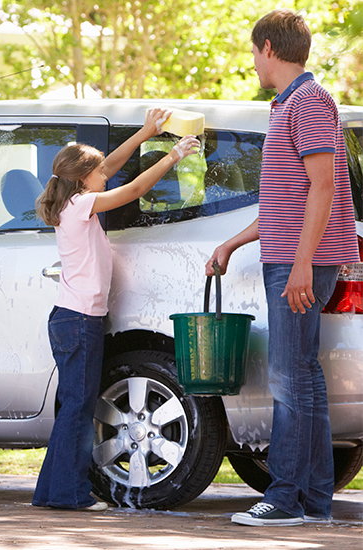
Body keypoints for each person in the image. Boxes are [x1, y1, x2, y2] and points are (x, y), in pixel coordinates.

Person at [207, 9, 359, 527]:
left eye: (253, 53)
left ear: (268, 47)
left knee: (288, 379)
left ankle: (284, 497)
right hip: (293, 255)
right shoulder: (290, 105)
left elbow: (325, 188)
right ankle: (313, 501)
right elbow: (282, 204)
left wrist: (300, 265)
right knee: (303, 377)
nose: (252, 62)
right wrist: (232, 242)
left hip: (301, 262)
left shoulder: (309, 102)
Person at [32, 110, 200, 511]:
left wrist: (146, 132)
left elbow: (111, 165)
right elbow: (135, 187)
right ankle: (69, 494)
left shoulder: (72, 200)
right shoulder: (81, 205)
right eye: (98, 172)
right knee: (78, 408)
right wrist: (173, 155)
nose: (105, 174)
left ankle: (52, 492)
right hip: (78, 321)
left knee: (74, 406)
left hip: (73, 319)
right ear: (82, 179)